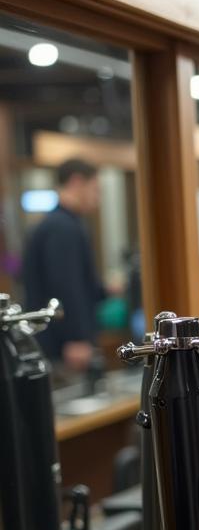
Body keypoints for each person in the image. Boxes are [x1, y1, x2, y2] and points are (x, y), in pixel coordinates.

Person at [22, 157, 105, 371]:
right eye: (95, 189)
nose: (98, 198)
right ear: (76, 182)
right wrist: (76, 338)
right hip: (63, 343)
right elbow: (65, 285)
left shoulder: (61, 223)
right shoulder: (62, 227)